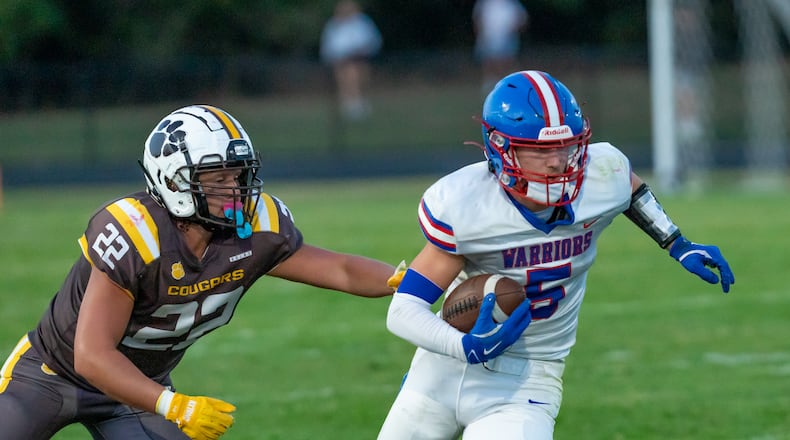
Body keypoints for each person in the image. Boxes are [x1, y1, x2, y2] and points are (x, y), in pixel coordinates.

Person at [0, 104, 401, 440]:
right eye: (219, 179)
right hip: (51, 375)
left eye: (238, 175)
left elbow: (342, 270)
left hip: (135, 391)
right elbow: (92, 356)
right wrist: (173, 404)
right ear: (174, 182)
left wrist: (407, 281)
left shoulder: (254, 231)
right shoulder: (138, 234)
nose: (235, 189)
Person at [377, 70, 734, 439]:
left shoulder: (602, 174)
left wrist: (675, 242)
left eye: (566, 147)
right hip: (441, 372)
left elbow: (630, 189)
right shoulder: (467, 205)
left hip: (527, 382)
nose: (557, 162)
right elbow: (403, 310)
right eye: (541, 150)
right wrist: (465, 346)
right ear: (500, 147)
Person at [320, 0, 382, 120]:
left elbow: (373, 41)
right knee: (347, 75)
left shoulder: (362, 22)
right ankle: (349, 104)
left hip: (360, 59)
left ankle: (359, 102)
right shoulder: (333, 25)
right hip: (340, 61)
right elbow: (328, 47)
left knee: (357, 74)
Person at [473, 0, 528, 93]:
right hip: (488, 37)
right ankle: (490, 84)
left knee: (507, 62)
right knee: (489, 61)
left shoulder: (511, 3)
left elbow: (522, 18)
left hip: (507, 38)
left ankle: (512, 84)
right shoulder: (485, 3)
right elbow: (477, 19)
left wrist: (512, 30)